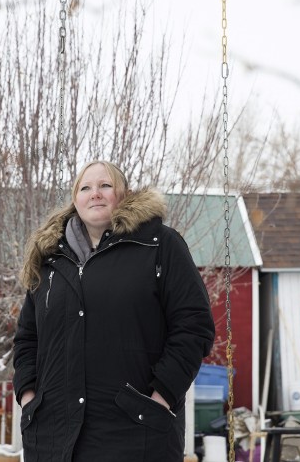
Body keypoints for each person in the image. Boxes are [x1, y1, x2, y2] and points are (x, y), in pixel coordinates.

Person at [13, 160, 216, 462]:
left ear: (124, 194)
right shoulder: (50, 259)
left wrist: (160, 398)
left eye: (105, 185)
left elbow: (193, 326)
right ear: (75, 199)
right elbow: (27, 338)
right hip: (53, 439)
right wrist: (29, 397)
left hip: (136, 434)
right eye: (85, 187)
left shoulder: (160, 244)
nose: (95, 193)